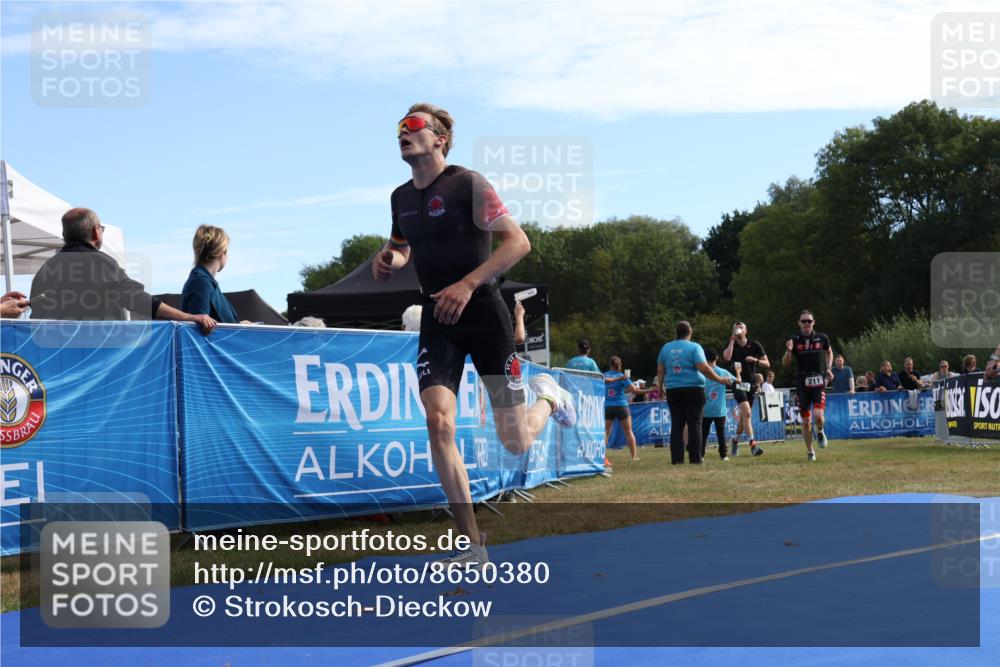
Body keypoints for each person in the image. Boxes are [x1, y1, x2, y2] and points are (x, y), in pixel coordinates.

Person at [372, 103, 574, 567]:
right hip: (437, 316)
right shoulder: (400, 197)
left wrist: (468, 284)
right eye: (399, 128)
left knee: (516, 441)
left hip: (484, 312)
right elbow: (401, 246)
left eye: (414, 127)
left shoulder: (468, 184)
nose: (403, 133)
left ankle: (548, 398)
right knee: (438, 420)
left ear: (440, 138)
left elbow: (518, 242)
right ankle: (473, 545)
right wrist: (390, 260)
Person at [30, 208, 216, 333]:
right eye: (101, 229)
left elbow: (35, 321)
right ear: (96, 232)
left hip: (54, 371)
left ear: (64, 235)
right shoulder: (102, 264)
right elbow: (138, 300)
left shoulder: (45, 271)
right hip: (100, 365)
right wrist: (188, 317)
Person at [656, 320, 737, 465]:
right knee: (695, 425)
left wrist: (660, 387)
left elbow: (661, 370)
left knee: (677, 425)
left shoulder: (665, 348)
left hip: (673, 389)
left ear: (676, 333)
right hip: (694, 389)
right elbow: (703, 368)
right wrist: (720, 380)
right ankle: (695, 459)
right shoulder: (694, 347)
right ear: (690, 333)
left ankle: (677, 460)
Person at [782, 310, 833, 461]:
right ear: (799, 323)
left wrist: (828, 368)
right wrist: (788, 351)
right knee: (805, 421)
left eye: (809, 321)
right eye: (803, 321)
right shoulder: (794, 340)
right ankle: (810, 451)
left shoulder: (822, 338)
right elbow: (785, 363)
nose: (806, 324)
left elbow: (829, 352)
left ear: (813, 322)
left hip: (818, 379)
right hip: (802, 382)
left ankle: (820, 430)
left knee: (818, 415)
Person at [181, 225, 245, 324]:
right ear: (221, 252)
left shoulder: (203, 282)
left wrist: (239, 326)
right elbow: (199, 330)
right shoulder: (201, 283)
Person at [722, 321, 767, 457]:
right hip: (737, 382)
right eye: (736, 328)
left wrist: (755, 360)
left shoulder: (754, 345)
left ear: (746, 331)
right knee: (747, 414)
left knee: (744, 416)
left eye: (741, 327)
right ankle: (753, 445)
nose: (738, 329)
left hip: (750, 384)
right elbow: (726, 357)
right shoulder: (732, 344)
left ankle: (735, 440)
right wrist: (731, 339)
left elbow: (767, 363)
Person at [604, 356, 653, 462]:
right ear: (620, 365)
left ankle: (600, 457)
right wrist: (650, 390)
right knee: (628, 431)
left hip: (608, 406)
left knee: (606, 432)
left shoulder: (604, 375)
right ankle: (634, 457)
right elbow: (635, 391)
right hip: (621, 406)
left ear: (610, 365)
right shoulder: (623, 376)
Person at [701, 348, 736, 461]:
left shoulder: (702, 372)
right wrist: (738, 372)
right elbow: (738, 382)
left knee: (703, 434)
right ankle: (723, 455)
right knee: (721, 434)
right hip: (719, 410)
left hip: (705, 410)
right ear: (717, 358)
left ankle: (700, 455)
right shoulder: (723, 372)